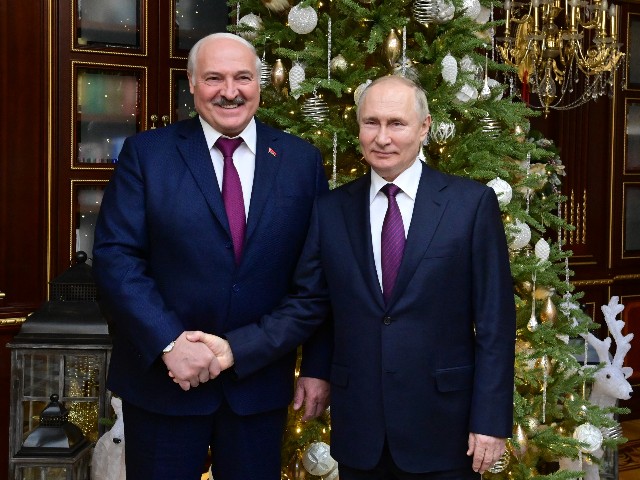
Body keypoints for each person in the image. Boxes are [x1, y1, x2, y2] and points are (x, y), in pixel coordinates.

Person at [191, 75, 516, 479]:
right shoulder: (331, 211)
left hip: (444, 427)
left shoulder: (470, 205)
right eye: (371, 123)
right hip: (361, 429)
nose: (382, 138)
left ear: (424, 127)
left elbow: (495, 325)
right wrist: (238, 349)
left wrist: (490, 420)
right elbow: (312, 304)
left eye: (396, 123)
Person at [92, 32, 332, 480]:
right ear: (191, 84)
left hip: (257, 386)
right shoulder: (147, 154)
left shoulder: (301, 161)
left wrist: (315, 366)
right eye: (214, 78)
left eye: (243, 77)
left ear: (259, 83)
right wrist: (170, 343)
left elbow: (316, 279)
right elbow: (116, 258)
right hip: (164, 384)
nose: (230, 91)